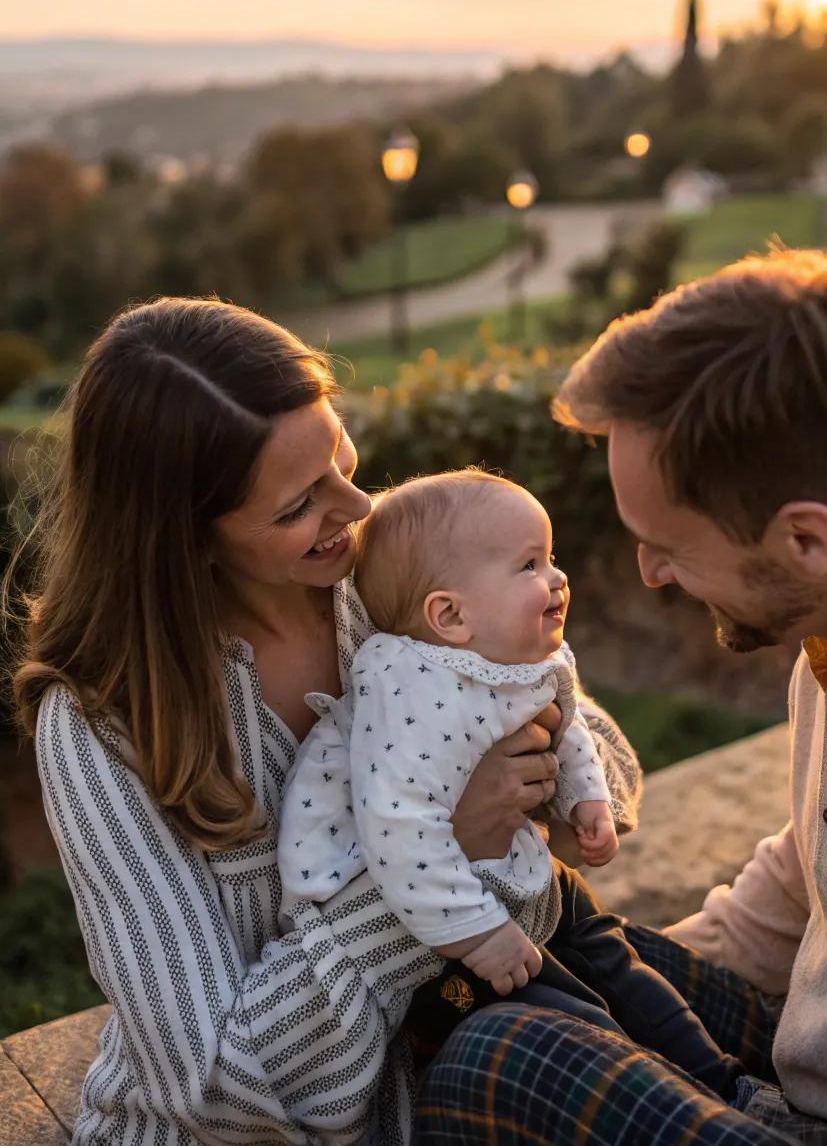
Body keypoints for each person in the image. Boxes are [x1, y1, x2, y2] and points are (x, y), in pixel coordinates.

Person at [8, 297, 648, 1145]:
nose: (355, 508)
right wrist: (435, 848)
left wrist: (549, 794)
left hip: (463, 1068)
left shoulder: (380, 579)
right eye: (297, 505)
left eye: (345, 460)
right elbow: (213, 1084)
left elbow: (597, 744)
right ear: (184, 537)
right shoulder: (99, 728)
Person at [523, 245, 827, 1146]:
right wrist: (632, 980)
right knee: (552, 956)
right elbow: (811, 870)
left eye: (669, 544)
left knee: (512, 1063)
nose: (650, 573)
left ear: (804, 541)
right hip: (807, 1063)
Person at [277, 469, 744, 1101]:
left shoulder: (503, 649)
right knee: (576, 1014)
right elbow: (399, 831)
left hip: (516, 874)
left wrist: (586, 799)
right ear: (449, 614)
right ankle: (671, 1094)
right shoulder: (412, 693)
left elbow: (565, 719)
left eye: (550, 559)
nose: (557, 578)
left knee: (622, 963)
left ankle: (728, 1082)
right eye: (530, 565)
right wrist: (479, 933)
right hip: (428, 923)